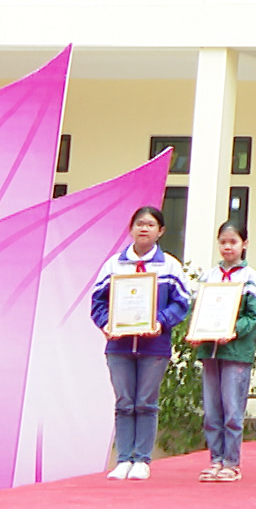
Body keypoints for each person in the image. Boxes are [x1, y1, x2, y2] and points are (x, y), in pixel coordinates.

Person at [90, 206, 192, 481]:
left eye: (150, 224)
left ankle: (142, 459)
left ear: (161, 231)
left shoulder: (169, 266)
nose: (144, 228)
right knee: (124, 402)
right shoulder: (114, 265)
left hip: (154, 347)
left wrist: (160, 322)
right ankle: (123, 459)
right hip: (119, 346)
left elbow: (182, 303)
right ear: (130, 228)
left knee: (146, 402)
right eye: (139, 223)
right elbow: (97, 301)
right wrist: (106, 324)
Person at [192, 220, 256, 483]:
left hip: (235, 352)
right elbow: (197, 311)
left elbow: (254, 316)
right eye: (223, 242)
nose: (227, 247)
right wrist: (196, 332)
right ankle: (215, 460)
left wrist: (233, 330)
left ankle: (232, 463)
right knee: (212, 410)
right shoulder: (209, 277)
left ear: (244, 244)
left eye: (233, 242)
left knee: (232, 410)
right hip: (210, 351)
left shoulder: (250, 277)